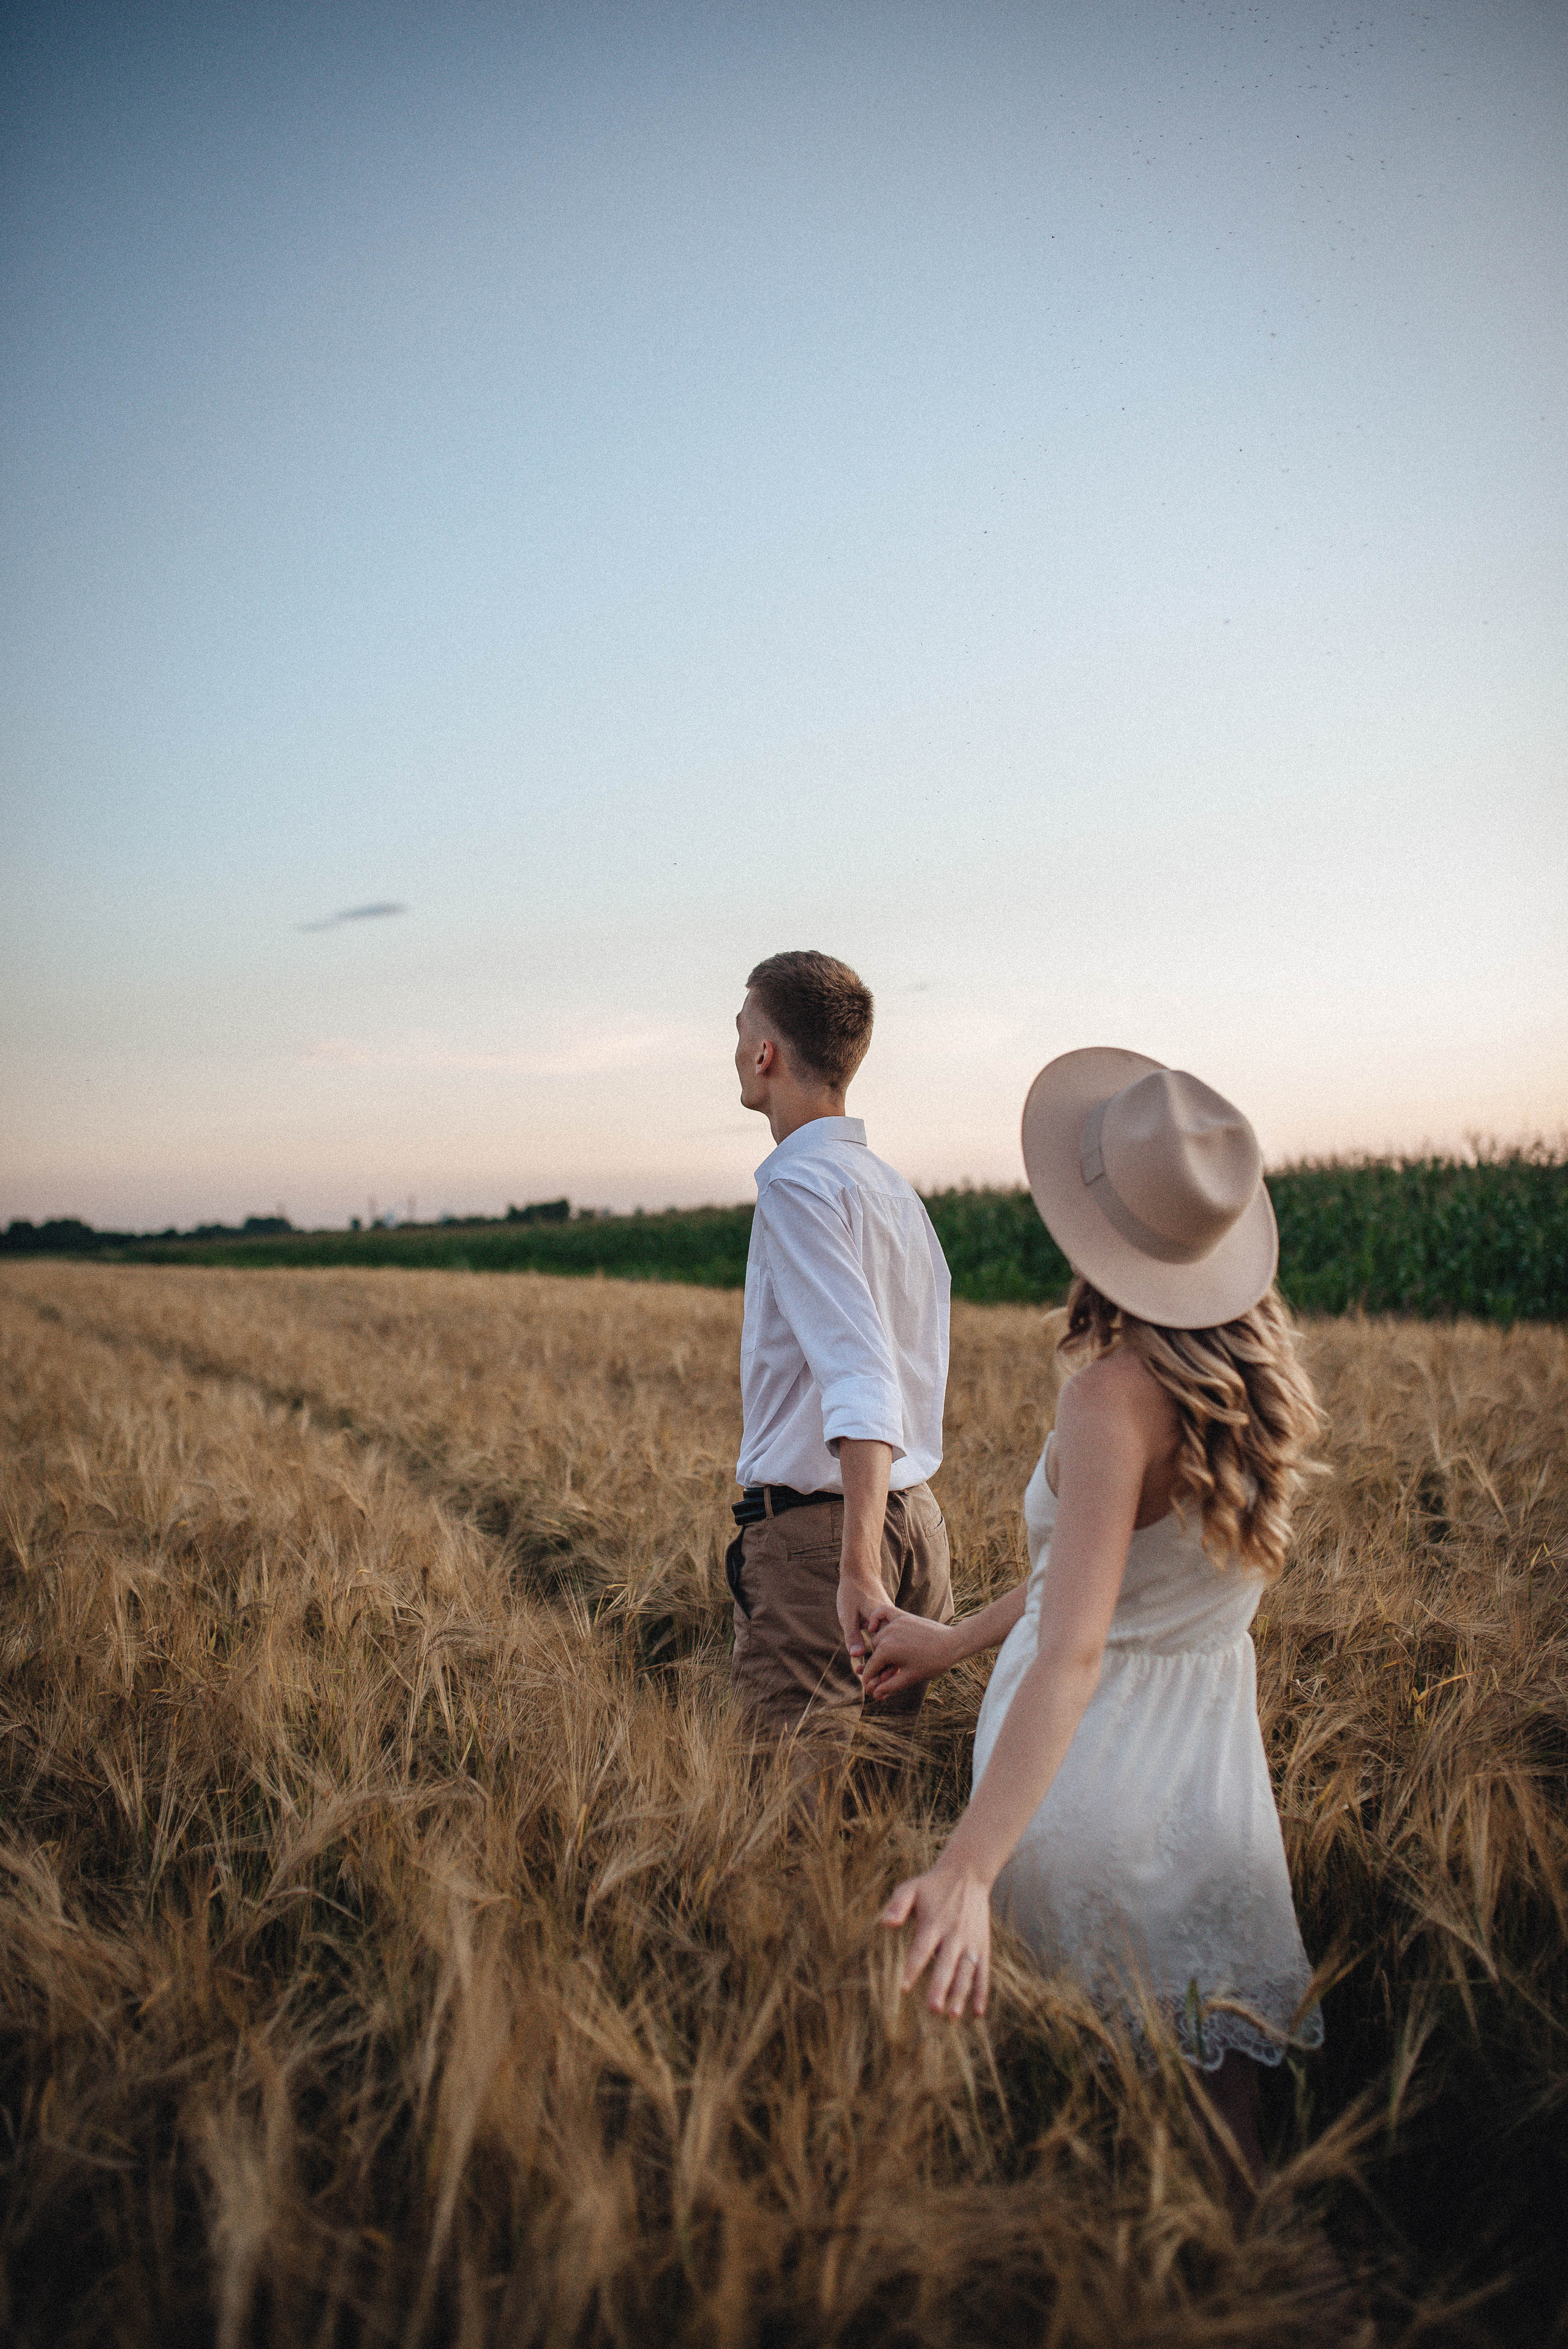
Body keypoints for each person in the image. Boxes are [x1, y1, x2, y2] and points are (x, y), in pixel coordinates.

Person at [865, 1049, 1324, 2188]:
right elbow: (1107, 1584)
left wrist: (970, 1868)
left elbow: (1075, 1646)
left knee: (1074, 2146)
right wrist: (952, 1637)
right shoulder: (1252, 1395)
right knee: (1229, 2151)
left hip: (1085, 1788)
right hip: (1216, 1798)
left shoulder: (1114, 1397)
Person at [728, 950, 954, 1746]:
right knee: (876, 1811)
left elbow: (862, 1375)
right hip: (918, 1523)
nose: (736, 1051)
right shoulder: (892, 1188)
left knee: (787, 1824)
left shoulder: (797, 1184)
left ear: (767, 1054)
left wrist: (856, 1562)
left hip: (827, 1541)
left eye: (741, 1030)